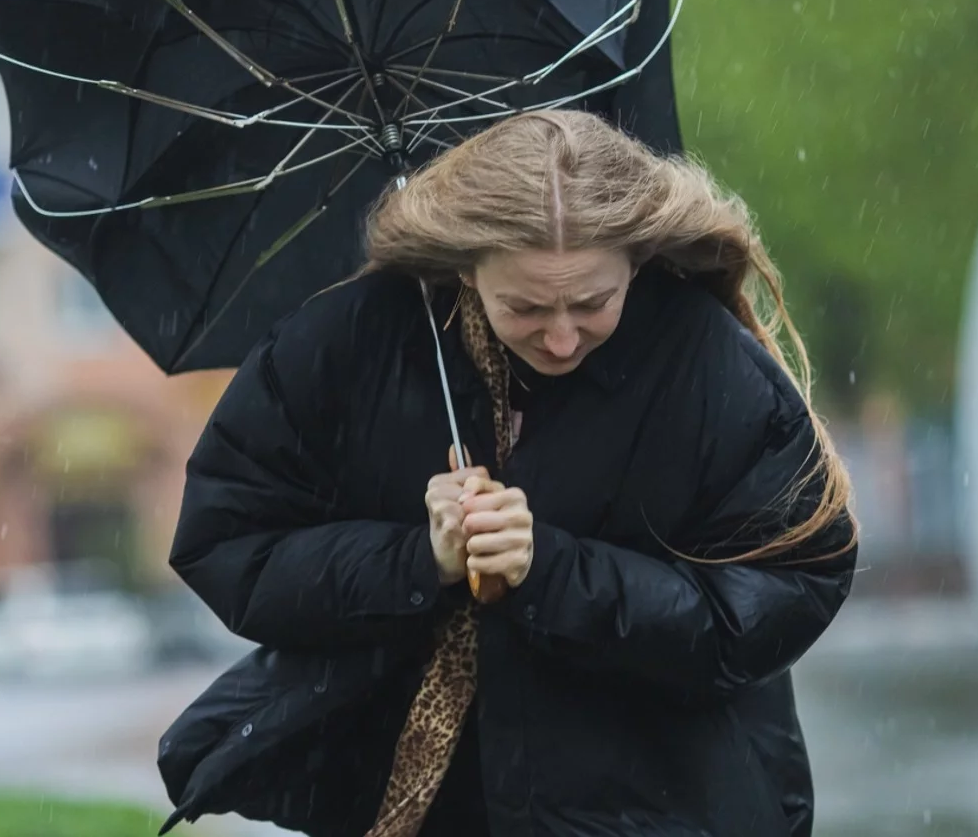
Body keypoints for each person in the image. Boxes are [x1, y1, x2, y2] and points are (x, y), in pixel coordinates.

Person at [158, 109, 858, 837]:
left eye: (593, 302)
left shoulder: (704, 362)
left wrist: (552, 571)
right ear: (465, 263)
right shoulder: (348, 347)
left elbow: (787, 588)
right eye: (523, 306)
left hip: (661, 811)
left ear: (636, 259)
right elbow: (229, 543)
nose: (560, 337)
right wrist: (416, 559)